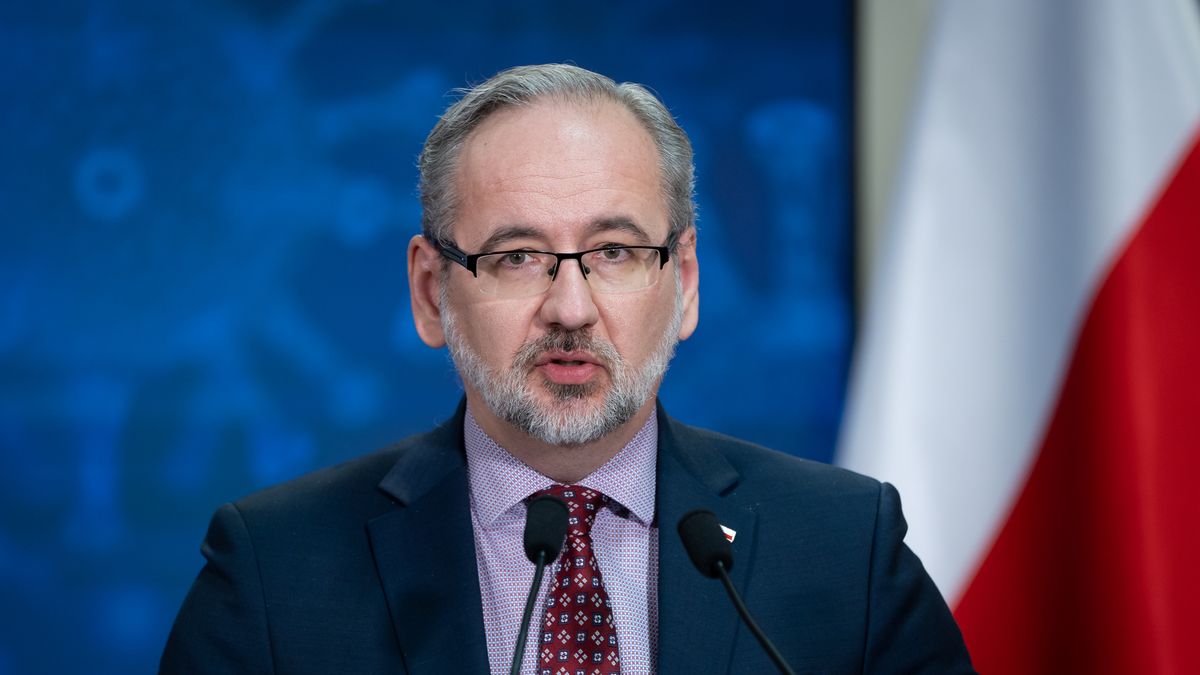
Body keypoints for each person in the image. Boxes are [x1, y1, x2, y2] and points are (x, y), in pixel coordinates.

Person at [160, 64, 974, 674]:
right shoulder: (272, 572)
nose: (572, 308)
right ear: (429, 291)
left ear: (684, 282)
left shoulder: (843, 550)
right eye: (518, 256)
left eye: (615, 251)